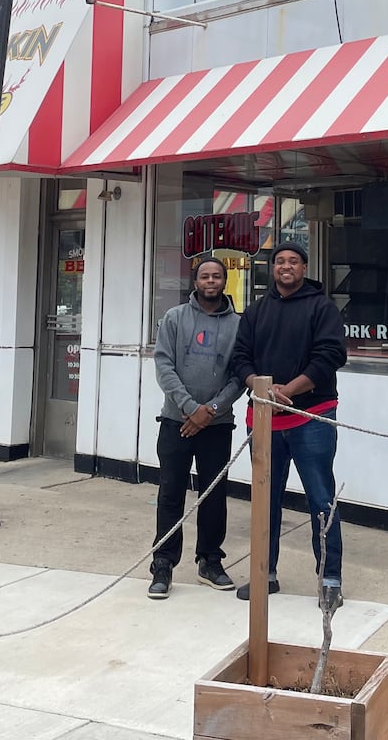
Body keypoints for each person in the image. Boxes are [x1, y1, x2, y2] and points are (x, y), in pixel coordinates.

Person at [230, 242, 348, 607]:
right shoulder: (256, 310)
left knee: (320, 500)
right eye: (279, 261)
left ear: (304, 267)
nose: (285, 267)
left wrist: (287, 392)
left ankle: (330, 580)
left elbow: (330, 355)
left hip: (312, 417)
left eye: (293, 262)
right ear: (272, 268)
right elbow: (240, 358)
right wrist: (259, 387)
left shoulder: (322, 307)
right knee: (265, 502)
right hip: (264, 420)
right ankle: (265, 573)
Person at [148, 256, 244, 599]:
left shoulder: (238, 324)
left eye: (217, 276)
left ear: (224, 281)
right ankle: (163, 564)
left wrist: (213, 410)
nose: (211, 281)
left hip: (217, 426)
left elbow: (240, 375)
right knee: (170, 494)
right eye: (205, 275)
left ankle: (210, 561)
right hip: (177, 422)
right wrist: (191, 409)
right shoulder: (175, 318)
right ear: (196, 281)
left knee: (214, 496)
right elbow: (164, 366)